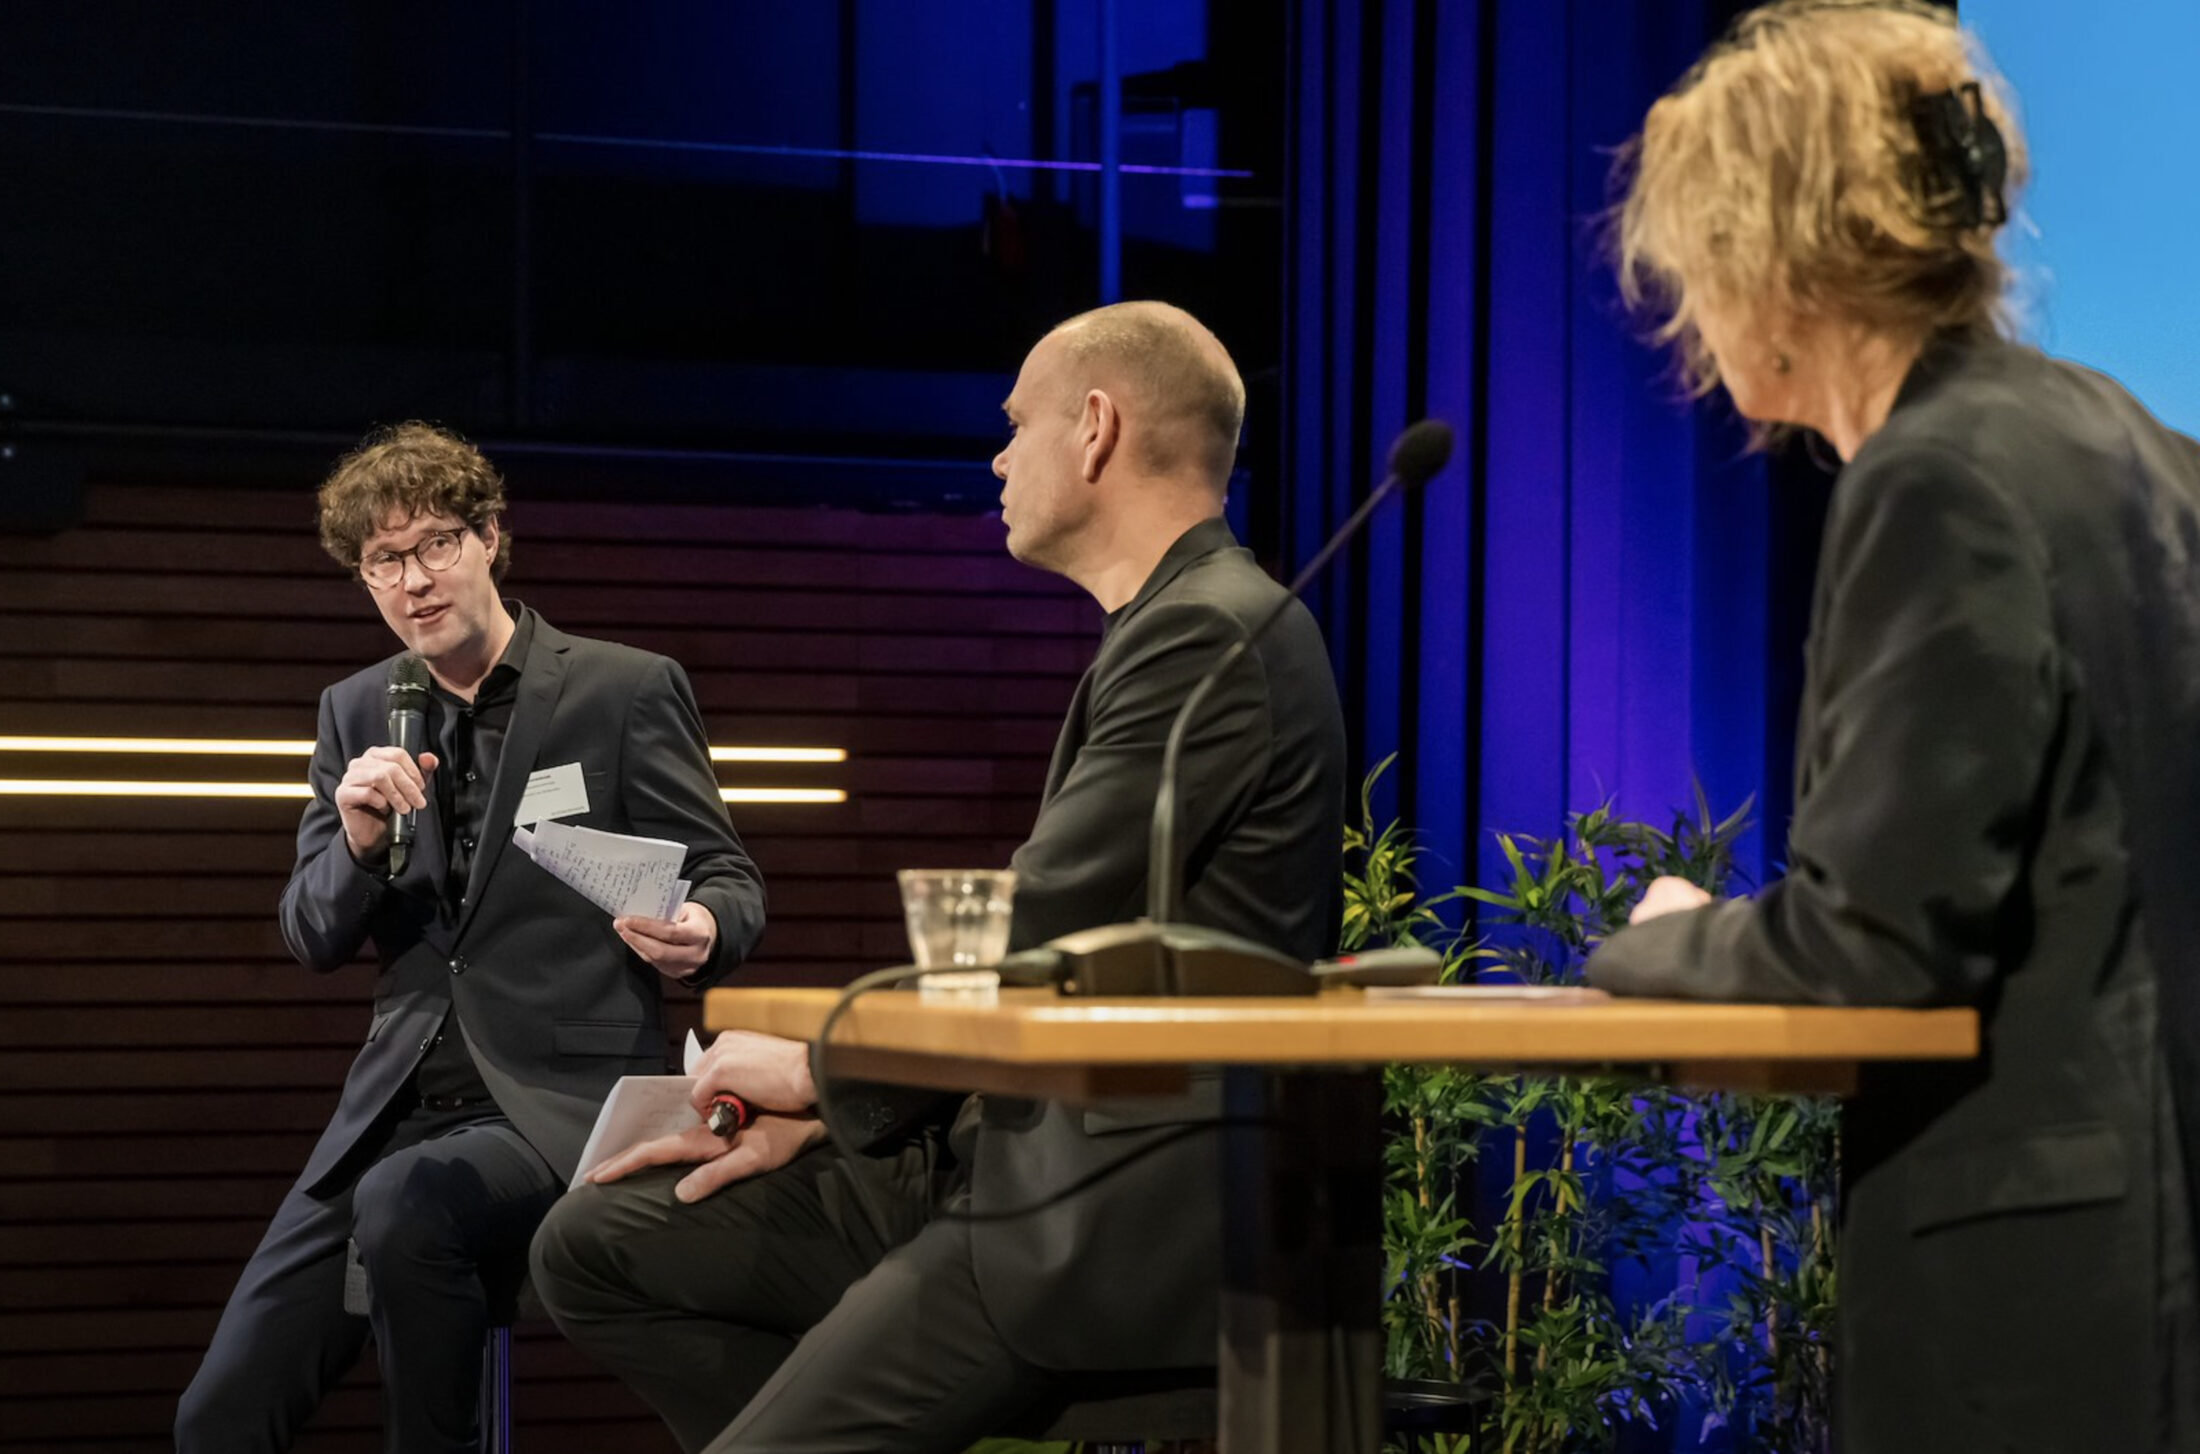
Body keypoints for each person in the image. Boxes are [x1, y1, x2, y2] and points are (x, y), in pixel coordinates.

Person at [529, 300, 1347, 1452]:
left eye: (1017, 424)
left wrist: (818, 1070)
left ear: (1096, 429)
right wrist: (833, 1119)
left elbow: (1031, 930)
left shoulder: (1208, 635)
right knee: (595, 1242)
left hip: (1089, 1200)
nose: (999, 456)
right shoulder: (1179, 623)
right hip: (993, 1146)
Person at [1585, 3, 2200, 1450]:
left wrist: (1657, 934)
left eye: (1693, 262)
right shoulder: (2141, 443)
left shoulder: (1935, 485)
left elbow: (1876, 942)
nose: (1686, 310)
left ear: (1774, 259)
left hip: (2044, 1297)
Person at [175, 423, 768, 1453]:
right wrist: (357, 840)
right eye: (383, 561)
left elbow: (728, 876)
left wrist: (702, 926)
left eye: (436, 543)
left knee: (413, 1206)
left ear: (492, 535)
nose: (413, 580)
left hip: (558, 1099)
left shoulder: (620, 688)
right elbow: (310, 930)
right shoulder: (358, 707)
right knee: (218, 1414)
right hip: (393, 1106)